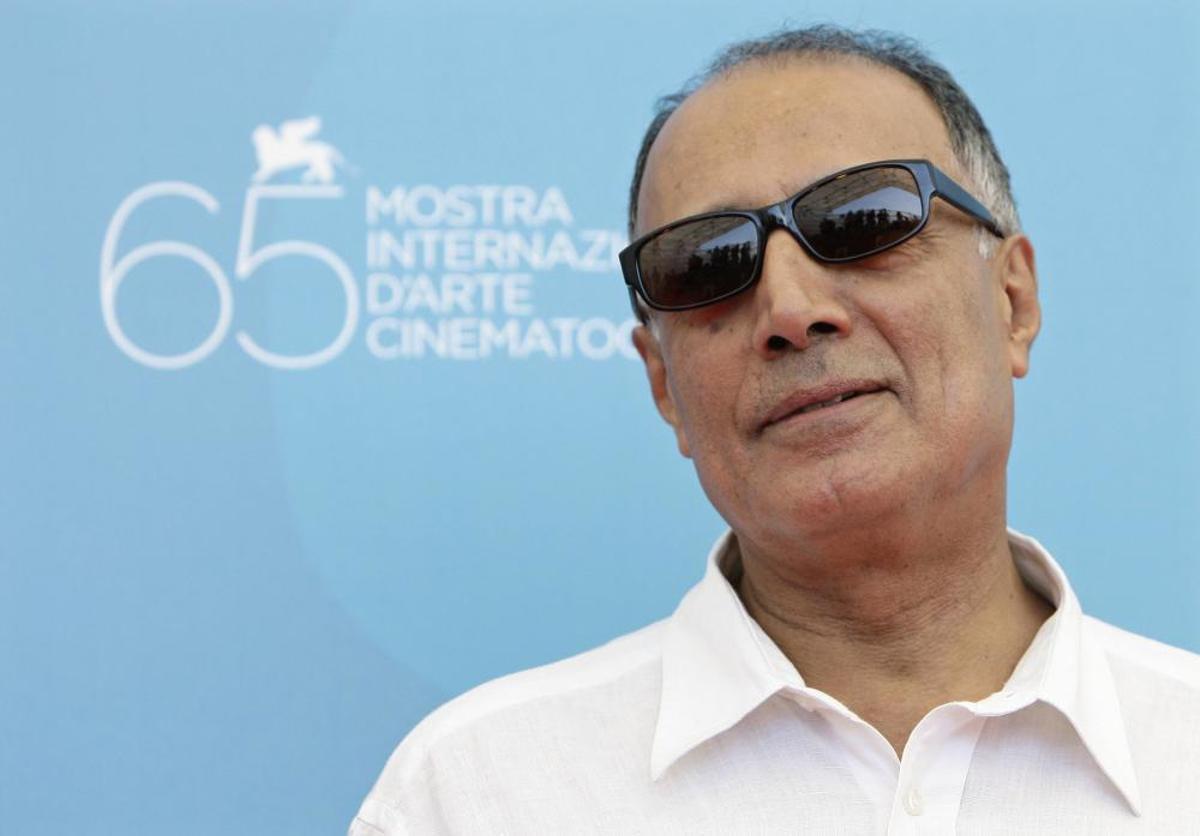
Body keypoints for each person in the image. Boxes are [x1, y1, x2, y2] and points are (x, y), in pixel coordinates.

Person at [350, 25, 1200, 834]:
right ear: (663, 384)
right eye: (707, 261)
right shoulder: (477, 794)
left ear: (1013, 303)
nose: (791, 310)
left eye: (863, 220)